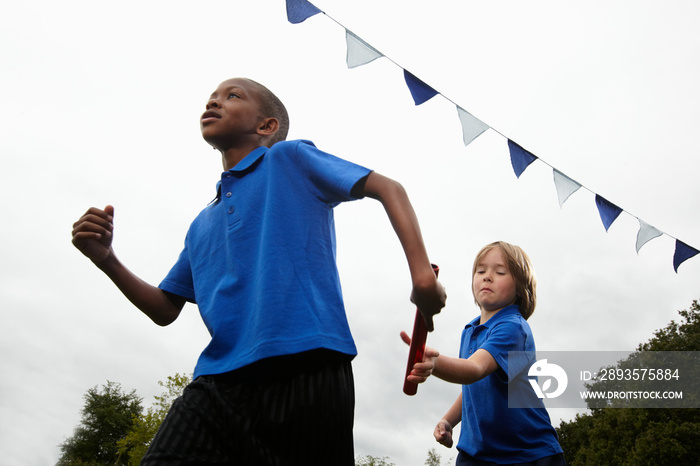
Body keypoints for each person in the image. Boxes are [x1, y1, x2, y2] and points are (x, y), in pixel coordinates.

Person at [71, 77, 446, 465]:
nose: (215, 102)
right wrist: (107, 259)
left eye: (232, 96)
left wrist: (422, 275)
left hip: (306, 365)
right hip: (217, 380)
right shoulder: (202, 224)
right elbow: (165, 308)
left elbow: (389, 188)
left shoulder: (289, 158)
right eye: (211, 97)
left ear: (267, 126)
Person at [402, 241, 565, 465]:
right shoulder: (470, 330)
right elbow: (473, 385)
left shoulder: (513, 326)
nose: (488, 276)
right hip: (476, 454)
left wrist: (435, 363)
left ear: (520, 288)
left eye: (500, 272)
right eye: (481, 271)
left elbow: (474, 370)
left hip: (527, 454)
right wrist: (448, 420)